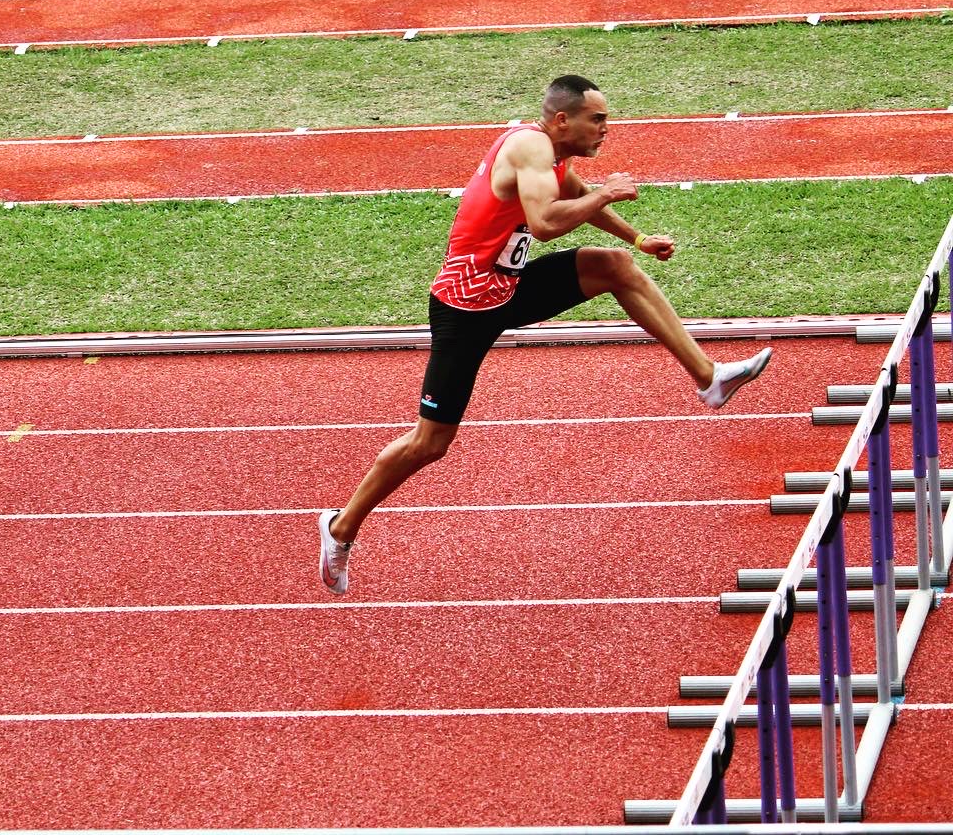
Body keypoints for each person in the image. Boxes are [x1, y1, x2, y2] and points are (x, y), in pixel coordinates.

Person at [317, 74, 771, 595]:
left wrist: (639, 237)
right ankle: (340, 527)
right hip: (464, 307)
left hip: (508, 288)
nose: (606, 129)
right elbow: (547, 222)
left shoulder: (553, 155)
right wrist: (607, 193)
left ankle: (709, 377)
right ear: (563, 120)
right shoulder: (530, 146)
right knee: (430, 443)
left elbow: (573, 193)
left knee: (617, 266)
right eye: (597, 119)